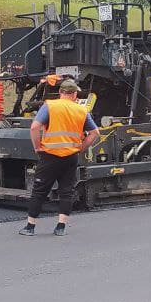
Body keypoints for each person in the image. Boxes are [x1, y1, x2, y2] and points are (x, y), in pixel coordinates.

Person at [20, 79, 100, 237]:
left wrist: (37, 146)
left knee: (39, 190)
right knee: (66, 191)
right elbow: (95, 133)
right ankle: (61, 227)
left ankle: (30, 227)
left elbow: (34, 127)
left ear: (61, 92)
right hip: (70, 156)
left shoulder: (50, 106)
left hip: (49, 155)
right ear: (75, 94)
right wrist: (80, 148)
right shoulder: (81, 110)